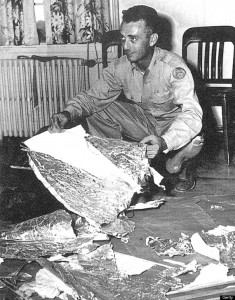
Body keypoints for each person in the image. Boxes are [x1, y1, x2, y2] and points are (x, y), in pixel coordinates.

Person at [49, 5, 204, 192]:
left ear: (152, 39)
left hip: (172, 125)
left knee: (196, 134)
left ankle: (178, 163)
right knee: (100, 109)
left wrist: (165, 142)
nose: (125, 46)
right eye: (123, 38)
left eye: (133, 39)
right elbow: (93, 98)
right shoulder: (119, 67)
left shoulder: (173, 67)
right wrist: (68, 113)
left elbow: (192, 112)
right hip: (145, 122)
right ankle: (119, 166)